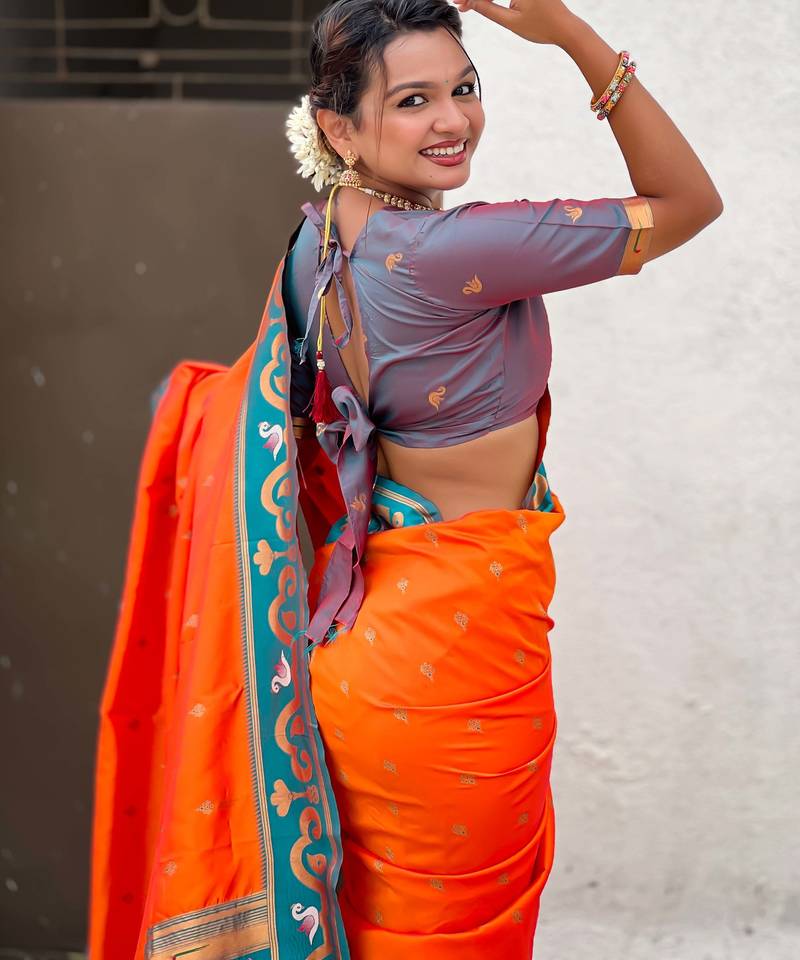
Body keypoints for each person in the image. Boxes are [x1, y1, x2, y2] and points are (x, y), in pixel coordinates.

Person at [88, 1, 722, 958]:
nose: (453, 120)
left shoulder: (316, 246)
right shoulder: (453, 252)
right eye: (415, 100)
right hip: (451, 688)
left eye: (464, 89)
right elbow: (690, 203)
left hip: (362, 655)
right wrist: (573, 39)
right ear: (337, 127)